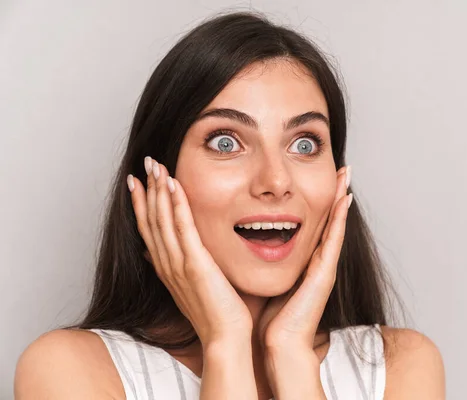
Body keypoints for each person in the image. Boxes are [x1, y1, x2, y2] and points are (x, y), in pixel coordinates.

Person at [14, 10, 445, 400]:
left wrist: (291, 353)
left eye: (304, 143)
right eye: (226, 142)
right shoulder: (70, 370)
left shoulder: (397, 366)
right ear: (159, 178)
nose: (276, 181)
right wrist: (226, 343)